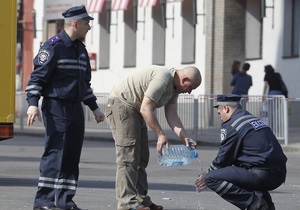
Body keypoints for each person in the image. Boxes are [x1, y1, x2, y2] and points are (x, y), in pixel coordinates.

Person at [26, 5, 105, 210]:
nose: (89, 27)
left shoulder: (81, 50)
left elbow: (83, 85)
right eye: (87, 23)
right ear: (75, 24)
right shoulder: (52, 47)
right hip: (56, 107)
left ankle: (65, 201)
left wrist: (94, 107)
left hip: (75, 108)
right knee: (55, 153)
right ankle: (43, 201)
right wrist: (33, 105)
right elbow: (37, 79)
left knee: (71, 155)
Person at [104, 66, 202, 210]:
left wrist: (184, 136)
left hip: (135, 110)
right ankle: (127, 204)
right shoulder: (163, 79)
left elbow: (172, 114)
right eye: (191, 87)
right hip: (121, 105)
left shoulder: (175, 87)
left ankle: (140, 199)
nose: (190, 91)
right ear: (184, 79)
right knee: (128, 158)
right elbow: (146, 108)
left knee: (141, 157)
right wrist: (160, 134)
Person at [195, 94, 287, 210]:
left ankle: (254, 205)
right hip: (279, 174)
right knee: (245, 170)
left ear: (226, 108)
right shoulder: (253, 119)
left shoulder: (232, 124)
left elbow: (223, 158)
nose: (220, 118)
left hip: (262, 175)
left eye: (219, 114)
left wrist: (206, 176)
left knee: (212, 178)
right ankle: (267, 207)